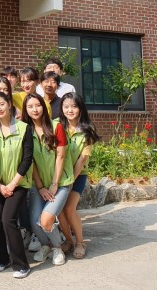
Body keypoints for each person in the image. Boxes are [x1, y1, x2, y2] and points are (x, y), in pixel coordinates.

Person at [23, 93, 73, 267]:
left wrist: (54, 184)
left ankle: (58, 247)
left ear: (44, 107)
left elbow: (61, 156)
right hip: (39, 184)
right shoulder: (26, 130)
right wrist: (40, 187)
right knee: (34, 222)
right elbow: (31, 162)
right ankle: (46, 246)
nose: (35, 109)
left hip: (61, 182)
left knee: (45, 220)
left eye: (37, 105)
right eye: (30, 107)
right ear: (26, 110)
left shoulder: (56, 126)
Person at [0, 91, 33, 279]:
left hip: (19, 183)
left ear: (9, 104)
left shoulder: (23, 128)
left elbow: (27, 158)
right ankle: (2, 258)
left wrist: (13, 184)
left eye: (1, 104)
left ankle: (21, 264)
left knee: (8, 219)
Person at [57, 92, 101, 259]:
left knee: (69, 208)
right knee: (59, 210)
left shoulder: (88, 130)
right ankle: (69, 241)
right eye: (66, 106)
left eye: (74, 106)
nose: (70, 110)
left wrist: (70, 181)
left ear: (80, 108)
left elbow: (82, 159)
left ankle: (81, 242)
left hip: (77, 175)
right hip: (59, 175)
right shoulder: (57, 126)